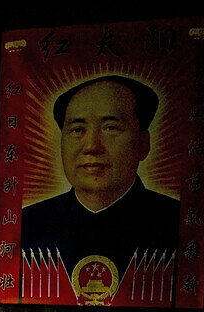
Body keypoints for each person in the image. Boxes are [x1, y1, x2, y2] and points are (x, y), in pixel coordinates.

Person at [20, 75, 180, 293]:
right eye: (77, 130)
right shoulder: (27, 225)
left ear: (144, 144)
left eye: (110, 128)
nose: (92, 146)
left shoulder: (178, 223)